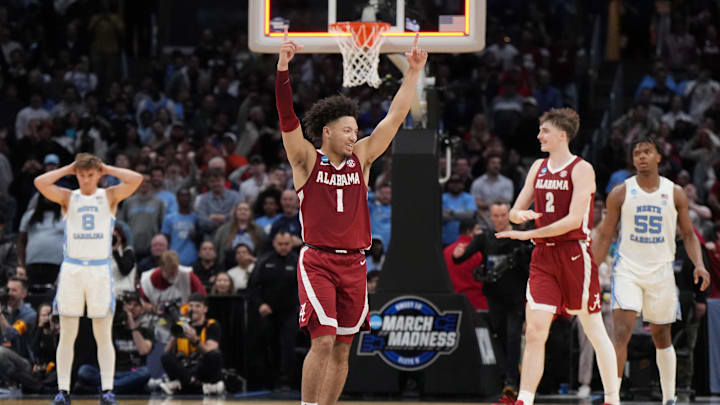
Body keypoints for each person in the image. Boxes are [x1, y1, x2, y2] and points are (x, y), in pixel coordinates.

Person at [275, 27, 427, 405]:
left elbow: (394, 117)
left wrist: (413, 73)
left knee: (343, 350)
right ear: (326, 132)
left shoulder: (362, 158)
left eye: (355, 130)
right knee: (323, 340)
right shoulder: (306, 159)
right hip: (319, 261)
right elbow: (288, 120)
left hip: (355, 264)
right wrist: (282, 70)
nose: (353, 135)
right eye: (347, 130)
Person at [495, 108, 620, 405]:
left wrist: (528, 233)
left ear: (562, 134)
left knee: (593, 330)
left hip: (574, 254)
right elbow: (515, 210)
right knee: (536, 330)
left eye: (544, 130)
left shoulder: (582, 169)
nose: (539, 135)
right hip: (543, 257)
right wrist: (518, 215)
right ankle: (524, 399)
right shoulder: (537, 167)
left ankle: (612, 398)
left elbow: (575, 219)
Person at [592, 136, 711, 405]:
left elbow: (690, 236)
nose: (641, 157)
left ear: (659, 157)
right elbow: (605, 234)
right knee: (620, 333)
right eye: (637, 153)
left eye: (647, 152)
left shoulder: (675, 192)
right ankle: (612, 398)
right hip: (628, 270)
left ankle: (669, 398)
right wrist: (592, 271)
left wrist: (700, 264)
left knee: (661, 335)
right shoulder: (620, 192)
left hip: (661, 271)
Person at [33, 152, 142, 405]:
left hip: (99, 271)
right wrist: (67, 170)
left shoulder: (110, 196)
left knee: (102, 334)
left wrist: (106, 168)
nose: (85, 180)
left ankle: (107, 391)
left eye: (90, 175)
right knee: (67, 334)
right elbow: (40, 182)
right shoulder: (69, 197)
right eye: (81, 175)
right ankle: (63, 391)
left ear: (98, 175)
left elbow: (136, 179)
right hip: (72, 270)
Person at [453, 201, 530, 396]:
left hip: (516, 298)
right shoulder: (485, 238)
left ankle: (511, 380)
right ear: (490, 216)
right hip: (495, 298)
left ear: (509, 215)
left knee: (513, 337)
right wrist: (458, 253)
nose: (499, 219)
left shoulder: (520, 239)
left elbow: (530, 268)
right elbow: (461, 257)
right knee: (500, 336)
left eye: (503, 215)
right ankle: (507, 376)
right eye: (495, 216)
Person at [160, 293, 224, 395]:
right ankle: (197, 385)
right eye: (190, 306)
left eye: (197, 306)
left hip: (201, 367)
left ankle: (182, 384)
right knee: (165, 357)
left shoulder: (211, 325)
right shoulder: (180, 324)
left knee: (215, 355)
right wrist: (174, 337)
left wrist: (196, 341)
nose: (193, 309)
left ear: (205, 309)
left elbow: (210, 351)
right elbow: (167, 352)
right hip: (185, 367)